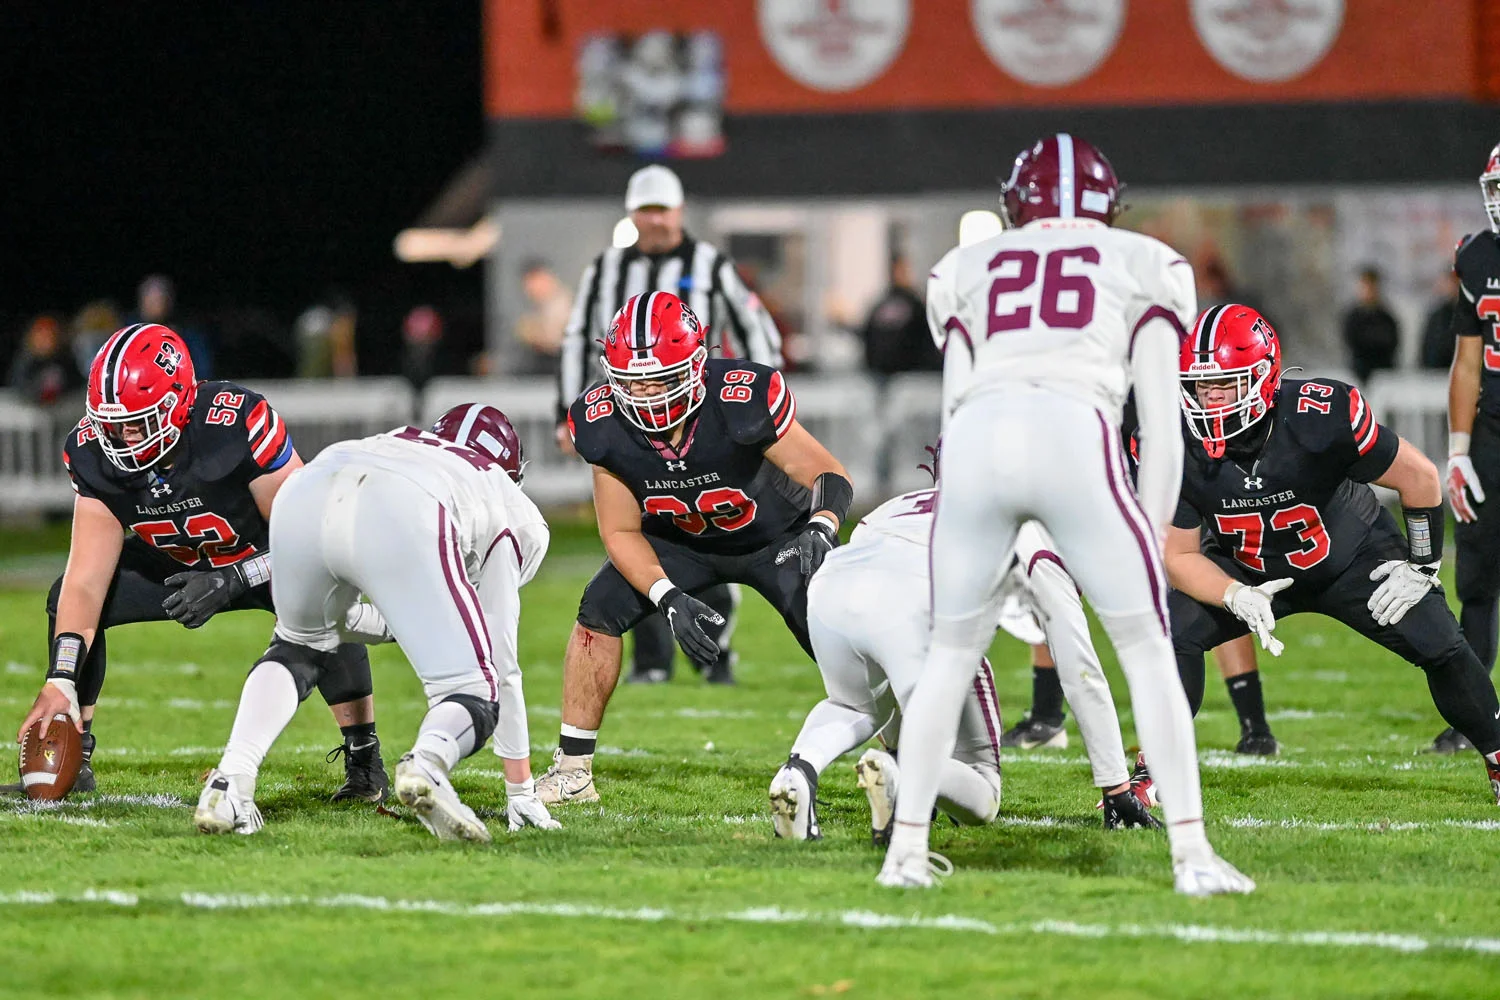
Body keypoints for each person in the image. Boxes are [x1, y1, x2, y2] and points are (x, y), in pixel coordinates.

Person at [879, 134, 1249, 896]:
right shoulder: (1144, 262)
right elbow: (1159, 413)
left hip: (979, 441)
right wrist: (1147, 527)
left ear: (1019, 204)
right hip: (1074, 430)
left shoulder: (967, 266)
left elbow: (954, 404)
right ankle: (1192, 856)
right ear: (1106, 205)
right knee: (1147, 648)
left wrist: (980, 524)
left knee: (951, 655)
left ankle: (905, 855)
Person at [14, 324, 387, 801]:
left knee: (323, 598)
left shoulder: (235, 425)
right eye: (110, 423)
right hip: (177, 562)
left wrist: (232, 579)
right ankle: (77, 752)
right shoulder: (93, 454)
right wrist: (60, 677)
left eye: (135, 422)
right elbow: (86, 582)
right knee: (66, 595)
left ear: (179, 405)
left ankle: (364, 760)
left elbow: (311, 543)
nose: (119, 437)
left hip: (266, 561)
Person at [1165, 304, 1500, 802]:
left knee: (1441, 642)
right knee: (1171, 632)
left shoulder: (1318, 414)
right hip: (1252, 567)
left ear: (1262, 377)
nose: (1209, 398)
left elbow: (1420, 477)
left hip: (1350, 557)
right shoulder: (1174, 437)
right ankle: (1154, 773)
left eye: (1226, 383)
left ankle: (1497, 756)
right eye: (1200, 384)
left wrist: (1423, 564)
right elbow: (1179, 555)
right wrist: (1235, 595)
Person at [536, 292, 851, 805]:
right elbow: (620, 532)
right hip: (679, 540)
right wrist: (668, 598)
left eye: (659, 378)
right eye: (632, 380)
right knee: (598, 610)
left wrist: (821, 527)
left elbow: (828, 475)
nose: (644, 394)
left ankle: (904, 756)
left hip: (776, 537)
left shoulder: (741, 398)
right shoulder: (602, 426)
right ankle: (574, 771)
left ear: (696, 364)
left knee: (845, 634)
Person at [195, 404, 557, 840]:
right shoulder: (504, 499)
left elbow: (385, 619)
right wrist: (521, 791)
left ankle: (230, 781)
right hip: (401, 505)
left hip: (310, 484)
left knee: (298, 647)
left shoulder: (408, 445)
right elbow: (501, 662)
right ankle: (427, 763)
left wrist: (336, 622)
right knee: (474, 689)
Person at [770, 488, 1159, 843]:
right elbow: (1080, 674)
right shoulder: (1040, 536)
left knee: (852, 706)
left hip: (832, 589)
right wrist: (1117, 789)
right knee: (983, 791)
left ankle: (799, 770)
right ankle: (903, 776)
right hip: (912, 601)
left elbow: (875, 589)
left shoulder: (911, 500)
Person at [555, 164, 783, 684]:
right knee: (637, 533)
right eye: (645, 209)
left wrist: (764, 404)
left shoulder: (710, 264)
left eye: (662, 209)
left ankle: (715, 648)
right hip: (627, 420)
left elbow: (755, 327)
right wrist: (568, 412)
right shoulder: (604, 268)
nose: (654, 220)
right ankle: (651, 660)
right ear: (632, 213)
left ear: (678, 211)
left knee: (710, 527)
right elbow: (575, 337)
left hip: (699, 421)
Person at [1440, 142, 1500, 753]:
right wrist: (1459, 450)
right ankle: (1474, 714)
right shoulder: (1475, 256)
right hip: (1493, 434)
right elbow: (1466, 363)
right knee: (1478, 576)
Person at [7, 314, 83, 406]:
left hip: (61, 409)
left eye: (50, 335)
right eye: (42, 335)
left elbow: (77, 387)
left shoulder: (66, 361)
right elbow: (17, 388)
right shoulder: (26, 361)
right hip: (30, 409)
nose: (47, 340)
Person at [1341, 267, 1400, 384]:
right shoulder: (1352, 318)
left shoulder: (1387, 318)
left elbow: (1392, 343)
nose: (1369, 290)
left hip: (1384, 376)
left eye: (1372, 286)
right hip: (1357, 375)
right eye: (1365, 286)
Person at [1421, 270, 1462, 371]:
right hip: (1441, 377)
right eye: (1455, 282)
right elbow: (1431, 352)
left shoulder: (1485, 314)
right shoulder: (1439, 317)